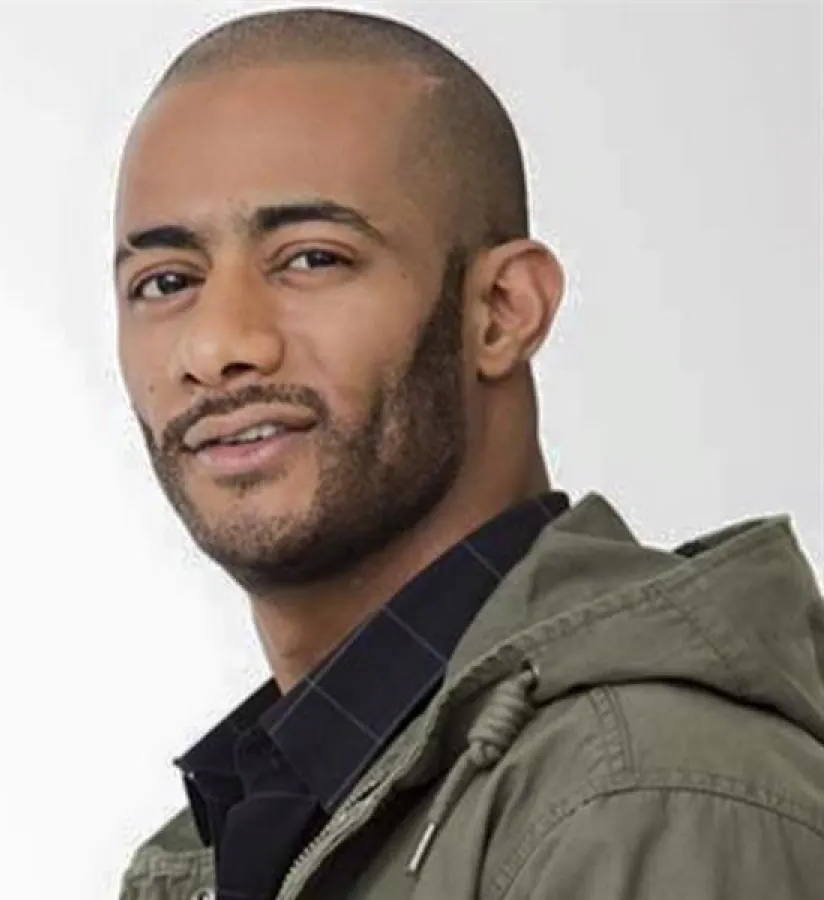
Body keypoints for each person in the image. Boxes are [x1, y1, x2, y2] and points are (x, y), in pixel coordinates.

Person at [110, 8, 824, 900]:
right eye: (166, 282)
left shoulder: (641, 796)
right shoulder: (254, 830)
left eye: (312, 260)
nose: (218, 345)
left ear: (502, 312)